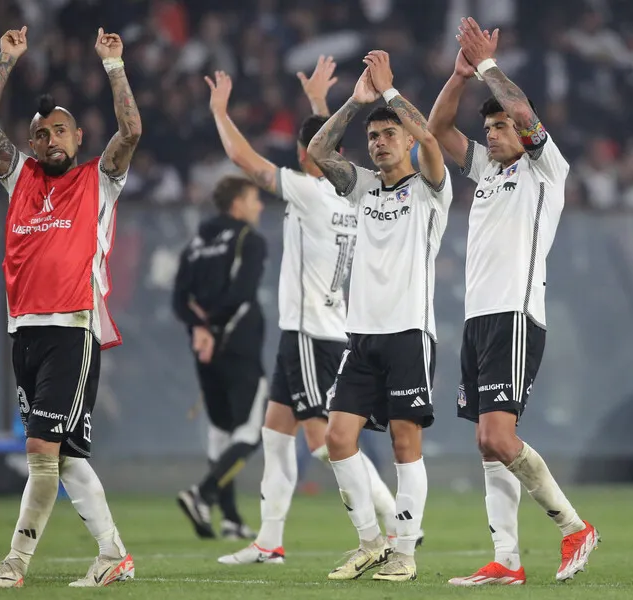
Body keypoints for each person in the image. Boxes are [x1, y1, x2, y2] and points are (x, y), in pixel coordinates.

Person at [202, 58, 404, 566]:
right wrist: (320, 104)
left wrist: (220, 113)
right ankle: (269, 541)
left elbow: (246, 160)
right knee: (275, 433)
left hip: (314, 333)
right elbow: (325, 144)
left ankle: (395, 524)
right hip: (314, 329)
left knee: (323, 441)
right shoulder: (348, 193)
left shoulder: (310, 192)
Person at [427, 17, 599, 585]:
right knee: (485, 441)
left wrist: (487, 68)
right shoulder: (485, 168)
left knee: (499, 436)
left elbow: (525, 115)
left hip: (516, 315)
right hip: (479, 318)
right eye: (491, 127)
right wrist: (458, 76)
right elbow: (437, 130)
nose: (496, 133)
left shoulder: (545, 168)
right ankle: (506, 559)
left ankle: (575, 527)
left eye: (500, 126)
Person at [0, 26, 141, 588]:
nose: (50, 141)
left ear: (78, 135)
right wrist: (5, 59)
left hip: (72, 329)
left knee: (42, 448)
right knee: (64, 456)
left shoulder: (99, 179)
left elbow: (132, 129)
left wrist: (114, 66)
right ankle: (113, 552)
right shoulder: (19, 176)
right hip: (24, 334)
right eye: (41, 134)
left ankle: (15, 561)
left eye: (60, 131)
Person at [307, 50, 452, 582]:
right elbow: (320, 148)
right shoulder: (363, 185)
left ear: (406, 139)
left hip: (410, 333)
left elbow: (435, 142)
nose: (380, 142)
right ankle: (370, 543)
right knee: (337, 439)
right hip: (361, 337)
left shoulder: (430, 190)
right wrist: (356, 101)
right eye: (374, 136)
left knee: (403, 444)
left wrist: (391, 93)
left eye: (389, 134)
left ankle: (405, 553)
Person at [173, 175, 269, 541]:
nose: (259, 206)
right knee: (251, 430)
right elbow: (242, 293)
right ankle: (203, 494)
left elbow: (179, 300)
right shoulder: (249, 240)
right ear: (238, 203)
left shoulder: (195, 245)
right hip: (238, 346)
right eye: (254, 199)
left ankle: (229, 519)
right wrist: (214, 328)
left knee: (221, 431)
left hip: (204, 351)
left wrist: (199, 327)